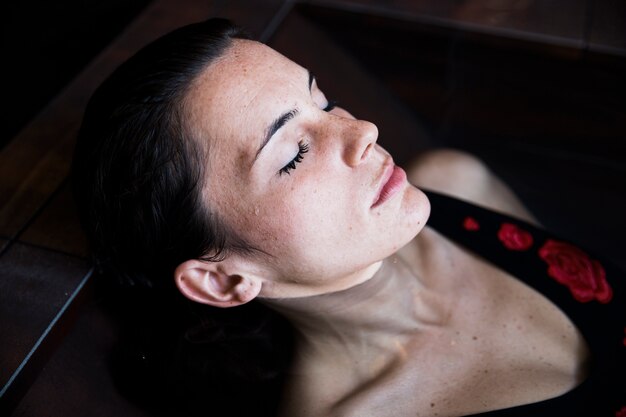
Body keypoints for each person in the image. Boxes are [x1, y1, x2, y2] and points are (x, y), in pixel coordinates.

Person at [71, 18, 625, 417]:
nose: (363, 132)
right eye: (292, 153)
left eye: (325, 101)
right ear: (221, 279)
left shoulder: (458, 182)